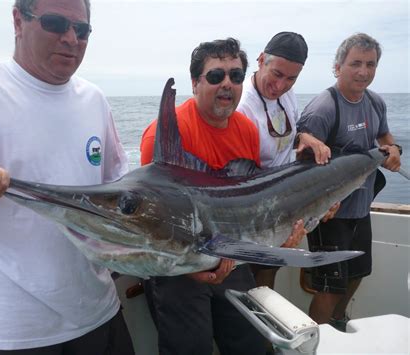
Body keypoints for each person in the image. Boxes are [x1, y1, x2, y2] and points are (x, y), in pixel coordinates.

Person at [0, 1, 135, 354]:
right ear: (18, 20)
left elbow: (120, 194)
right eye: (56, 23)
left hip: (99, 312)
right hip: (14, 330)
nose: (71, 39)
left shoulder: (95, 100)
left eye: (82, 30)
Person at [140, 38, 305, 355]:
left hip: (230, 255)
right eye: (216, 76)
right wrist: (190, 267)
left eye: (236, 76)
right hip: (178, 265)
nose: (227, 84)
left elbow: (250, 205)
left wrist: (280, 237)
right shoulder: (162, 134)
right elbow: (150, 223)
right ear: (195, 82)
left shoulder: (246, 129)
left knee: (253, 343)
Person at [297, 33, 401, 330]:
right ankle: (313, 343)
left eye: (370, 64)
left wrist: (393, 150)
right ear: (337, 66)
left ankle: (338, 327)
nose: (363, 71)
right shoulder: (323, 108)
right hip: (330, 215)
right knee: (330, 287)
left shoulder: (375, 102)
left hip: (361, 207)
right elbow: (299, 164)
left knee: (358, 273)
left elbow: (384, 137)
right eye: (355, 63)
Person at [237, 31, 333, 289]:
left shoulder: (287, 95)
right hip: (253, 207)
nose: (281, 86)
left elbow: (289, 136)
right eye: (277, 74)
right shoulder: (242, 105)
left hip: (285, 200)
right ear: (260, 60)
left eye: (291, 78)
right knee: (253, 278)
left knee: (271, 270)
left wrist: (305, 137)